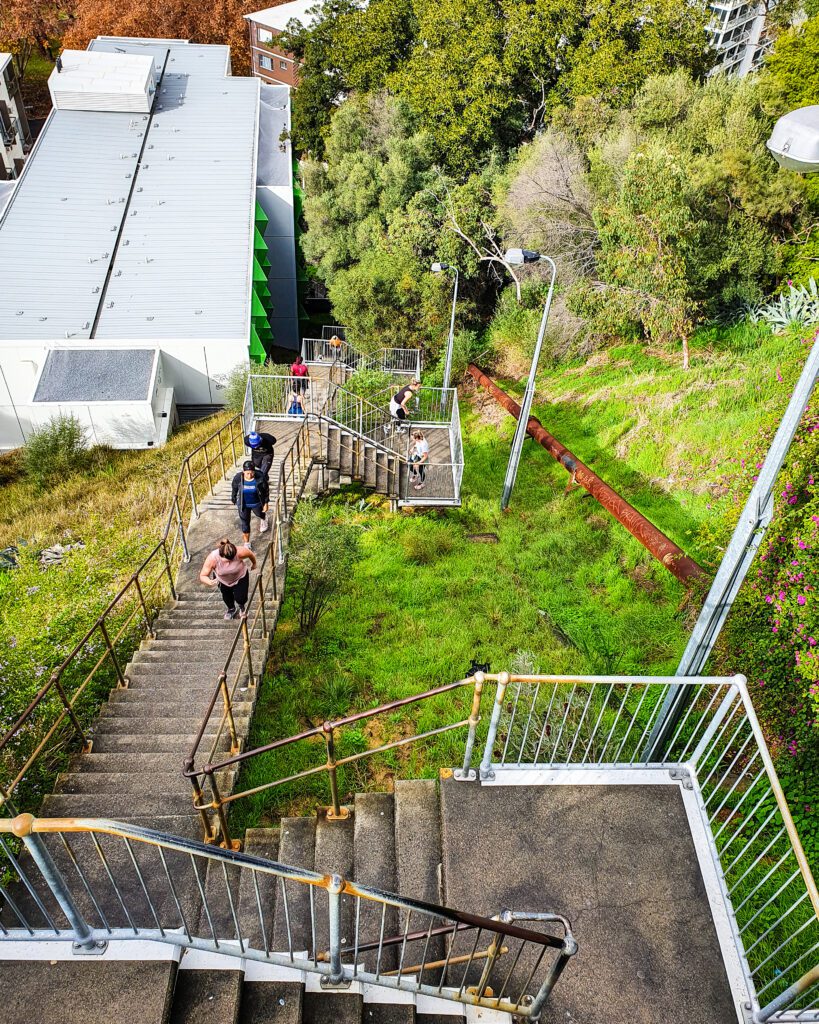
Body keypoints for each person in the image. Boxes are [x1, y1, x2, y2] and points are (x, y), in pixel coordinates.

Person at [199, 538, 256, 620]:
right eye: (228, 559)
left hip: (240, 577)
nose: (230, 561)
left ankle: (242, 607)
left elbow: (251, 554)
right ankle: (231, 609)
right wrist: (209, 582)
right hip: (223, 580)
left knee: (241, 597)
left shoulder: (240, 551)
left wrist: (254, 564)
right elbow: (203, 575)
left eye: (232, 559)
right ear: (221, 555)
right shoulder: (213, 558)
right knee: (227, 597)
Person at [231, 460, 270, 547]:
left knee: (259, 513)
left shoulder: (260, 477)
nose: (249, 475)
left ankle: (264, 518)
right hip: (243, 504)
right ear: (243, 472)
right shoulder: (238, 478)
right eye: (247, 473)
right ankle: (247, 543)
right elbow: (234, 488)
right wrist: (233, 497)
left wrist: (266, 502)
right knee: (245, 523)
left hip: (256, 502)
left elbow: (266, 490)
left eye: (251, 473)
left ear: (254, 471)